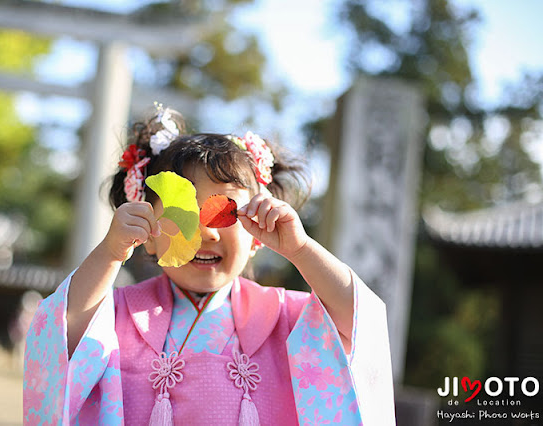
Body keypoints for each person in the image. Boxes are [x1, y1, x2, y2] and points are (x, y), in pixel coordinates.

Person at [23, 105, 395, 425]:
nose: (205, 232)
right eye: (181, 212)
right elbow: (60, 336)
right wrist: (109, 252)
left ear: (256, 234)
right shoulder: (118, 315)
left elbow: (360, 319)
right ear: (147, 231)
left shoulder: (286, 316)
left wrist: (301, 249)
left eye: (225, 212)